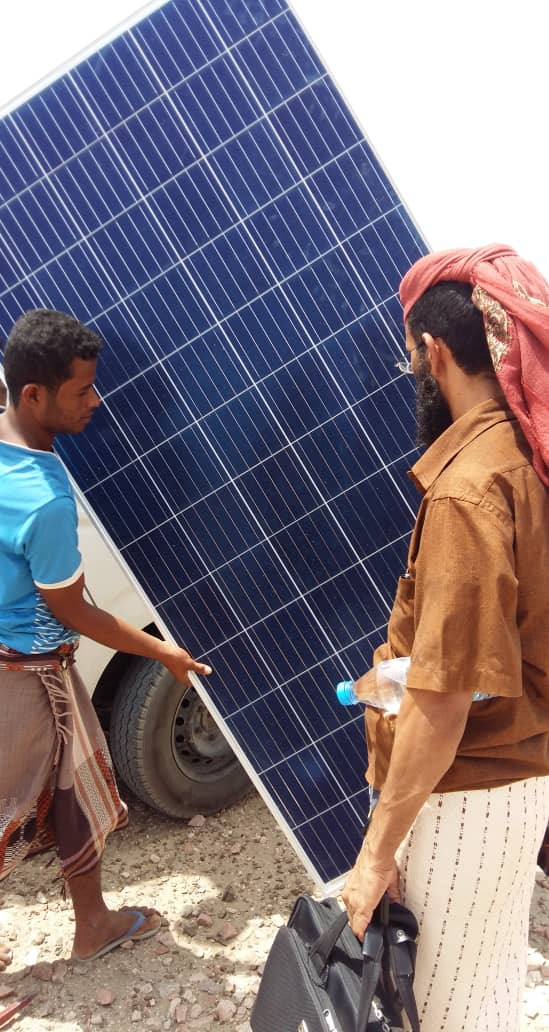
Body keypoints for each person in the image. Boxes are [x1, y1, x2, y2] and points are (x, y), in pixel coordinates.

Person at [0, 309, 212, 980]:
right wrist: (162, 652)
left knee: (78, 786)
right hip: (13, 676)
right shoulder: (43, 498)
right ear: (34, 395)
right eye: (81, 390)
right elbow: (74, 610)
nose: (95, 401)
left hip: (23, 659)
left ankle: (93, 923)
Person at [341, 245, 549, 1031]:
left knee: (441, 1011)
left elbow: (445, 697)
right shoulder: (527, 457)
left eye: (409, 359)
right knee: (485, 990)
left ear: (433, 353)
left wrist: (373, 856)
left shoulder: (468, 489)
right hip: (517, 783)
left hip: (464, 798)